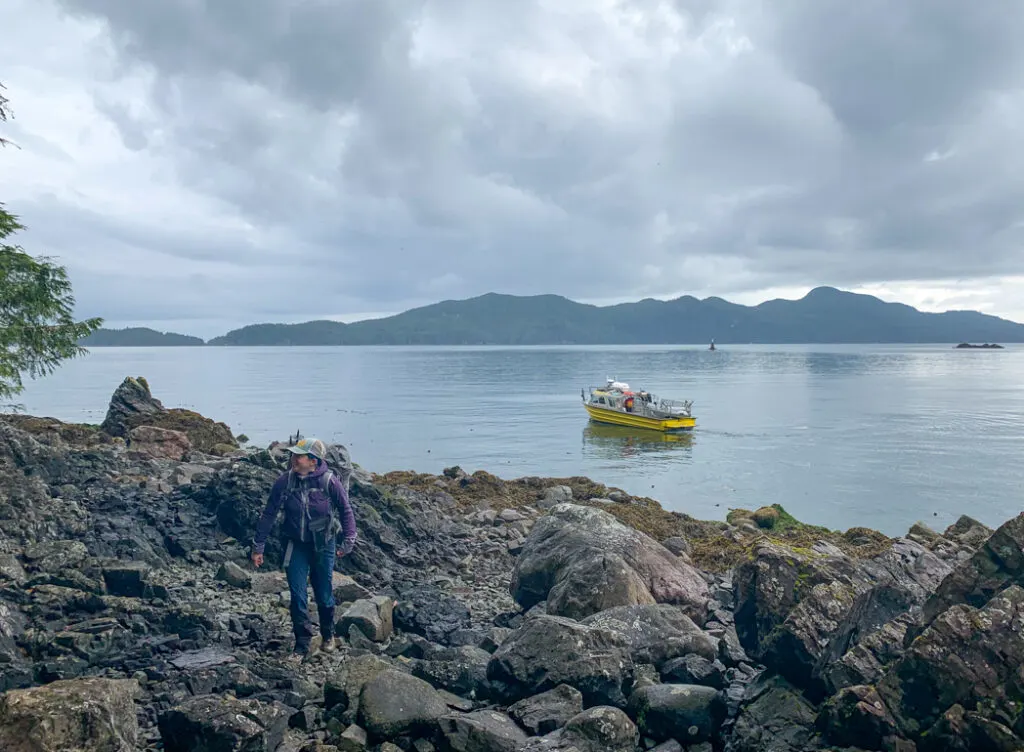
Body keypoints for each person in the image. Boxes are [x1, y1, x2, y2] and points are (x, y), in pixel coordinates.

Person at [251, 437, 357, 658]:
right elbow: (269, 513)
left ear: (313, 461)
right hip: (295, 545)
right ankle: (302, 644)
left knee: (324, 594)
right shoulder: (285, 481)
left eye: (299, 456)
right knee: (298, 597)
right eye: (293, 455)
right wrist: (258, 546)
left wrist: (349, 541)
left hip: (323, 544)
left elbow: (346, 511)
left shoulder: (329, 481)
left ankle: (328, 635)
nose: (293, 459)